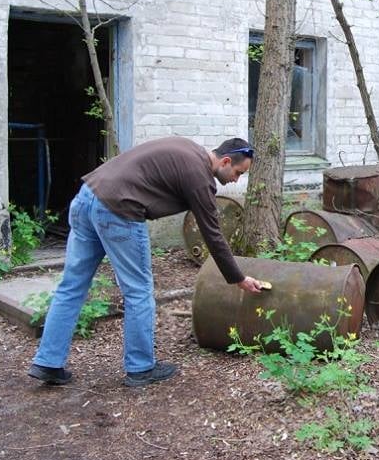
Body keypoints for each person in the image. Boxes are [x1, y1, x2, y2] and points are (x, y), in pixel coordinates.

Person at [28, 136, 264, 388]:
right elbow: (213, 237)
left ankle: (48, 362)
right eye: (238, 172)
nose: (236, 180)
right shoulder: (200, 178)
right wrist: (238, 279)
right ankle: (140, 368)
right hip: (119, 211)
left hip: (87, 197)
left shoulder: (189, 149)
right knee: (138, 291)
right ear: (226, 160)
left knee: (71, 286)